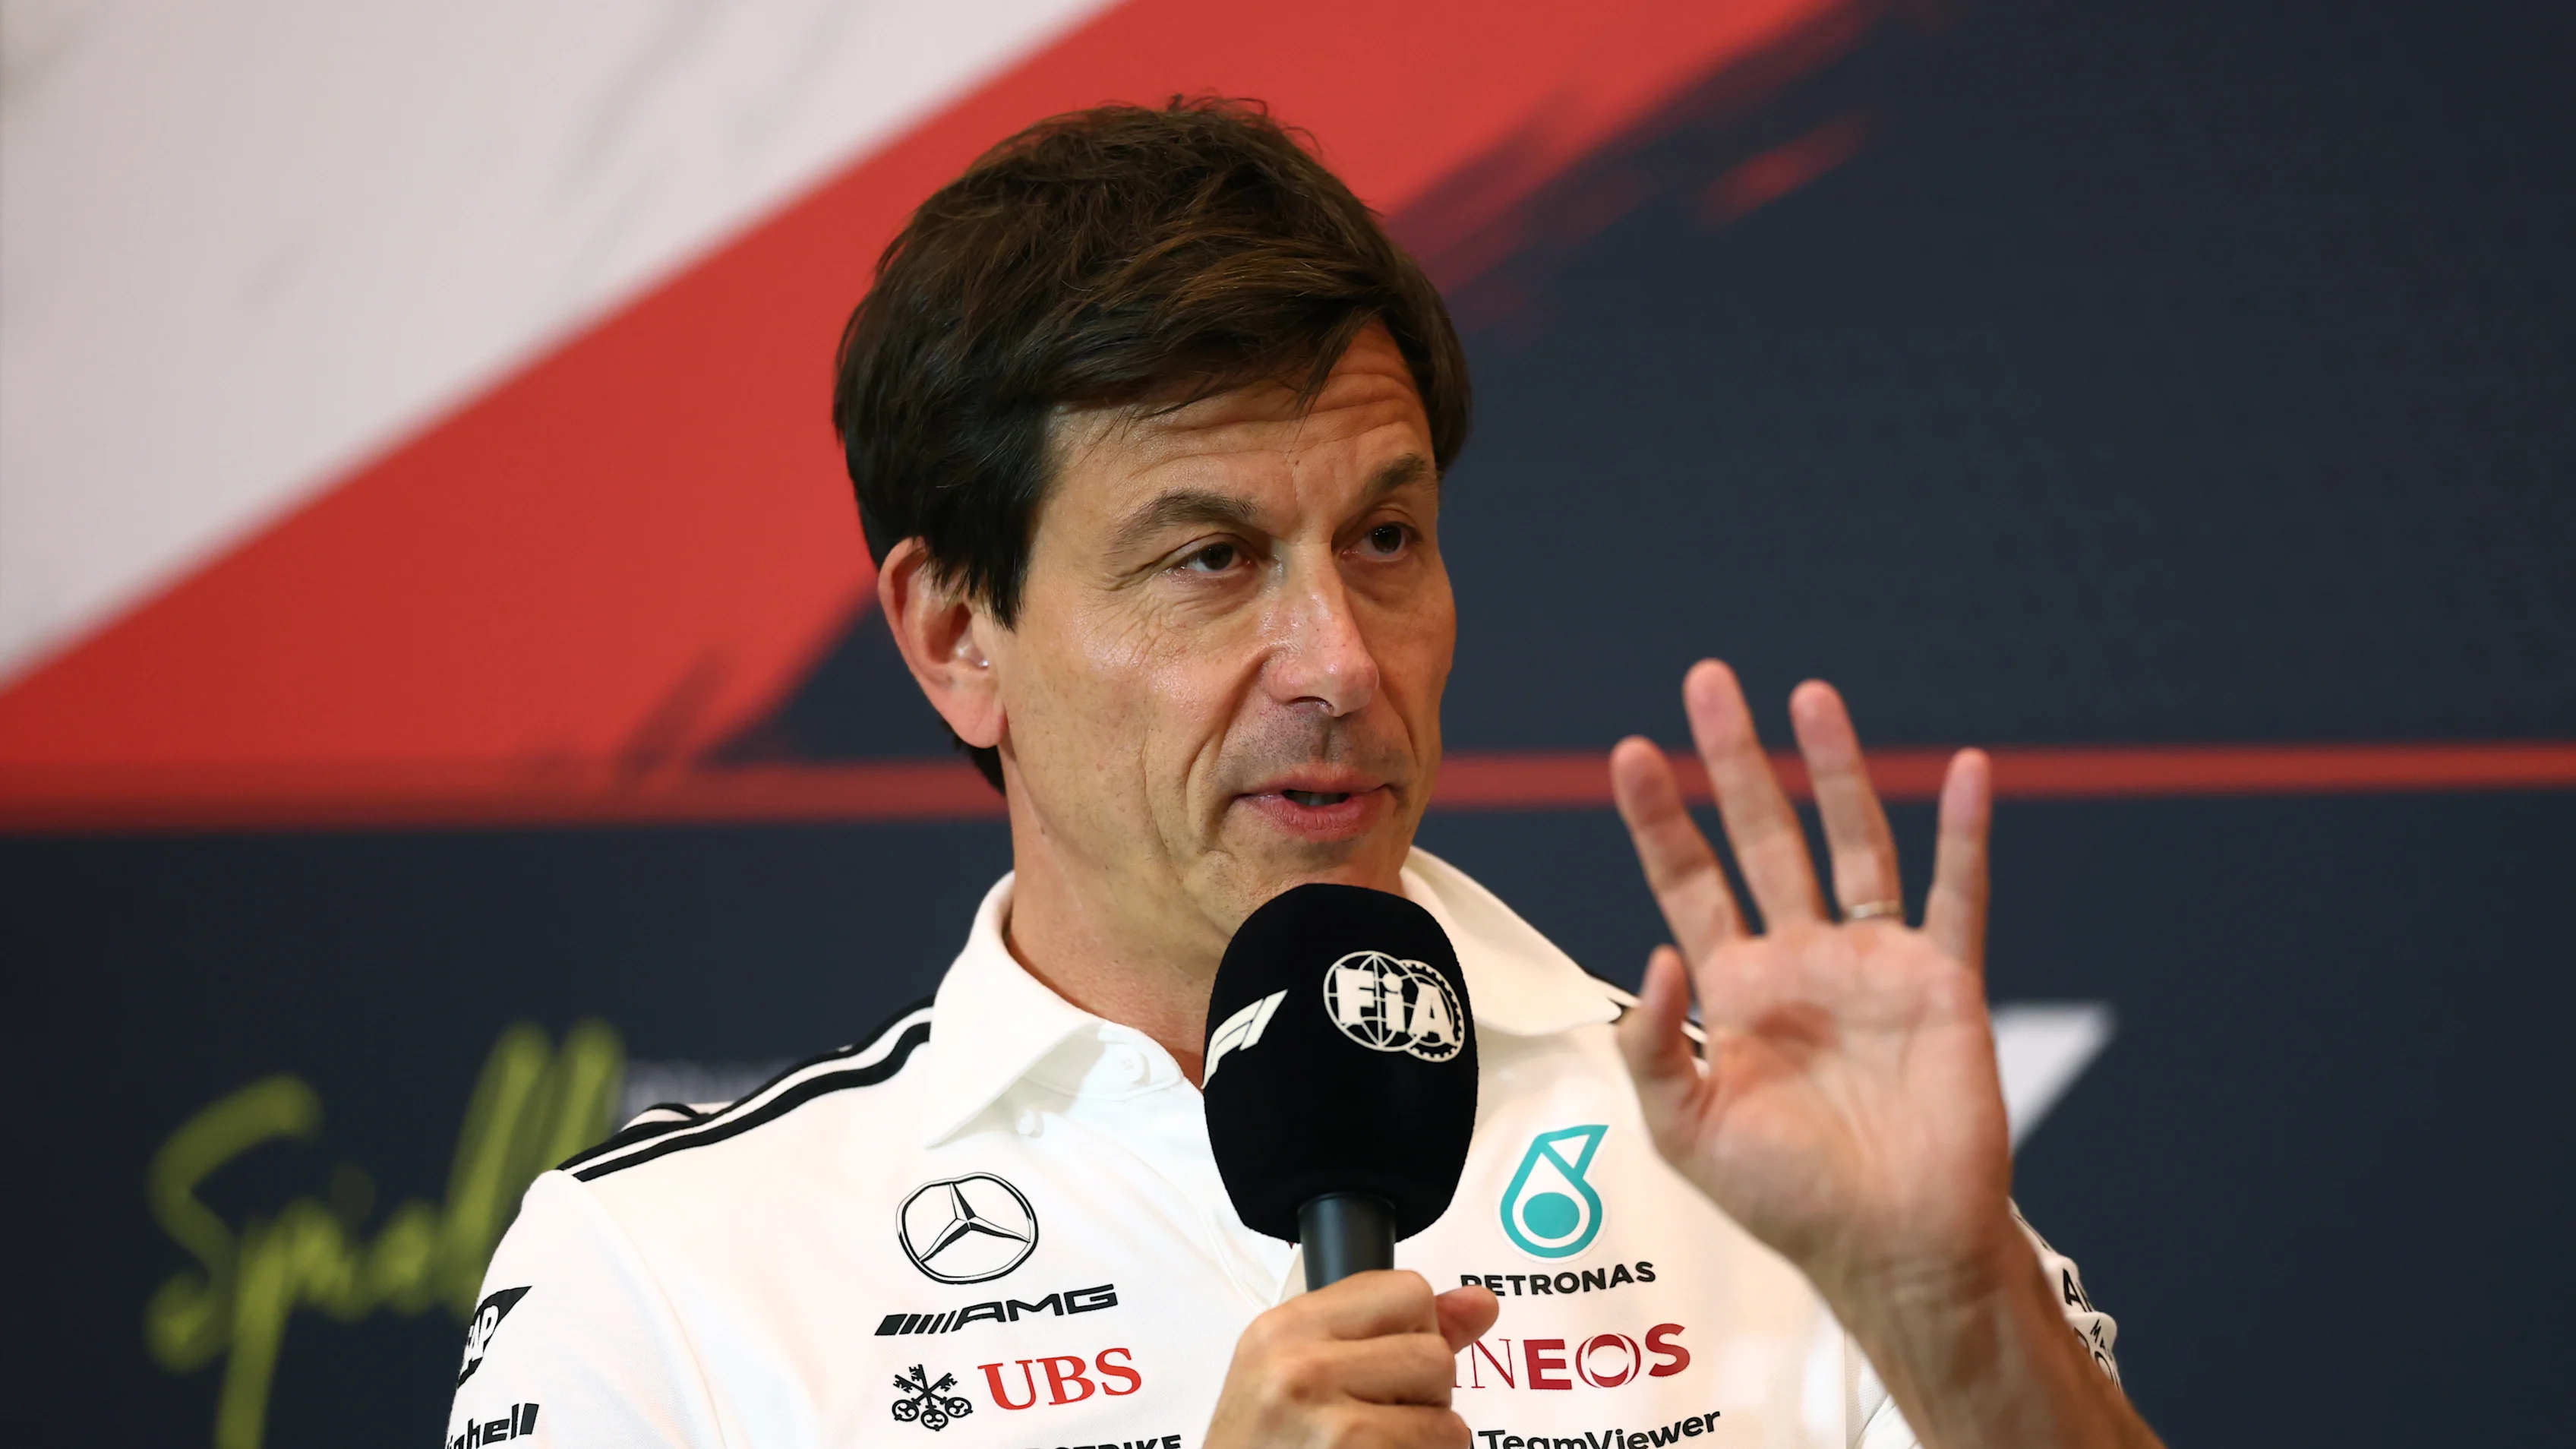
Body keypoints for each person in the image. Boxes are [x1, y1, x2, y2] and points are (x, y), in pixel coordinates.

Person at [444, 99, 2161, 1449]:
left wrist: (1951, 1312)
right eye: (1209, 559)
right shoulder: (663, 1279)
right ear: (958, 633)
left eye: (1387, 536)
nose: (1342, 662)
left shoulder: (1774, 1169)